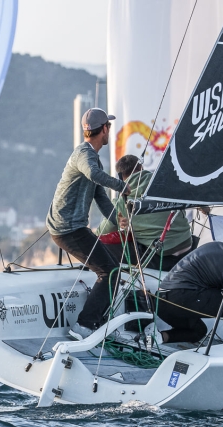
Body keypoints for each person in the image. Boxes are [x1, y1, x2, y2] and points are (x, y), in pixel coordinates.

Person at [46, 108, 130, 340]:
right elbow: (93, 175)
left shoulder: (92, 157)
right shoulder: (84, 154)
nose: (109, 131)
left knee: (112, 270)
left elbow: (100, 196)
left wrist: (117, 219)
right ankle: (83, 326)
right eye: (109, 127)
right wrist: (121, 186)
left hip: (73, 227)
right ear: (104, 129)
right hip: (67, 229)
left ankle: (98, 321)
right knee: (110, 272)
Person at [97, 154, 194, 269]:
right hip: (188, 247)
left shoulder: (121, 201)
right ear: (141, 168)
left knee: (101, 246)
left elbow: (103, 231)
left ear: (120, 177)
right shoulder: (167, 182)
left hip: (161, 257)